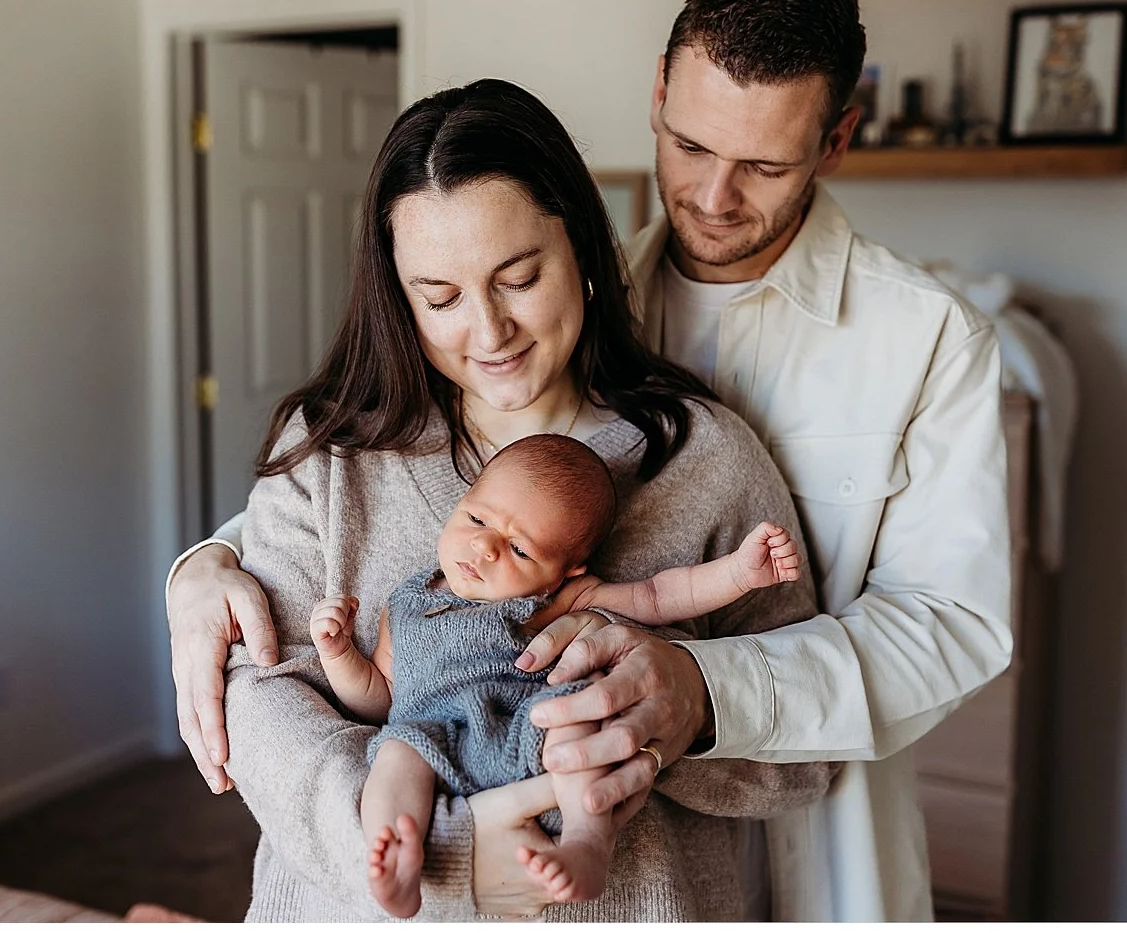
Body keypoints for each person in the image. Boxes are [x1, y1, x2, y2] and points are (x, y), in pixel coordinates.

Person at [167, 0, 1013, 921]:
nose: (712, 195)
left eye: (520, 278)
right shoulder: (360, 435)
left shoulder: (883, 361)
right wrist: (204, 561)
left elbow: (946, 625)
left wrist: (696, 692)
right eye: (690, 147)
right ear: (657, 98)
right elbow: (288, 620)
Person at [215, 78, 831, 920]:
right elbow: (258, 691)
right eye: (439, 298)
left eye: (518, 277)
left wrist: (689, 704)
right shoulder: (327, 453)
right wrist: (435, 854)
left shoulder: (705, 458)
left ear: (578, 247)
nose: (489, 331)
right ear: (399, 295)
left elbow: (810, 751)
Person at [313, 432, 803, 914]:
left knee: (581, 717)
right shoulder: (404, 605)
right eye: (477, 517)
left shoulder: (557, 601)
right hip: (433, 738)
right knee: (394, 753)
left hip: (529, 728)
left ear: (565, 573)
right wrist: (339, 655)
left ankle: (587, 844)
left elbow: (657, 596)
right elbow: (381, 696)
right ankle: (396, 853)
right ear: (461, 502)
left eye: (520, 550)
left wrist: (739, 573)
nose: (485, 547)